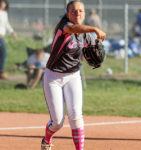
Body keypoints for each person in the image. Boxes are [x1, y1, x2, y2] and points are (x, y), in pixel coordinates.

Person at [41, 1, 106, 150]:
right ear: (67, 13)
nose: (77, 14)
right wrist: (95, 28)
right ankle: (47, 139)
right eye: (73, 11)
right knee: (57, 122)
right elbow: (74, 28)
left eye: (81, 11)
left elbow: (94, 49)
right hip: (53, 78)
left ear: (85, 13)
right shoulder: (64, 26)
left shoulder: (87, 35)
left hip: (73, 76)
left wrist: (96, 51)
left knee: (76, 116)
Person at [0, 0, 18, 80]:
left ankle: (1, 72)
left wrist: (13, 32)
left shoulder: (4, 13)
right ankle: (1, 72)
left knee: (3, 54)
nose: (2, 4)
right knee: (4, 53)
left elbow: (7, 24)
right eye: (1, 2)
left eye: (4, 3)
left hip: (2, 36)